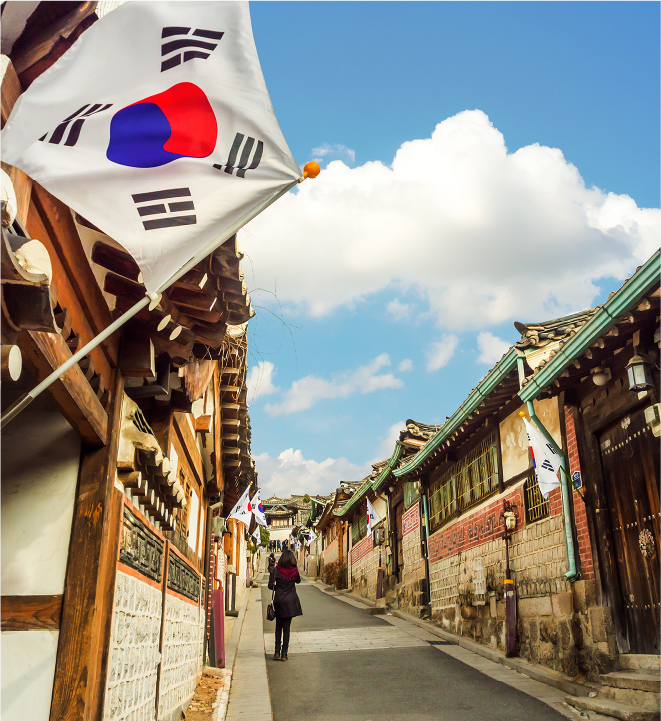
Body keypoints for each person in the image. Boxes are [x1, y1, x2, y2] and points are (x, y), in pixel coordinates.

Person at [268, 549, 301, 661]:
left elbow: (270, 586)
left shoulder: (277, 570)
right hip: (290, 601)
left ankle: (277, 651)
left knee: (278, 626)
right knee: (287, 628)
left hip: (279, 600)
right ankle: (284, 654)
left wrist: (278, 587)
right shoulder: (294, 571)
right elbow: (298, 581)